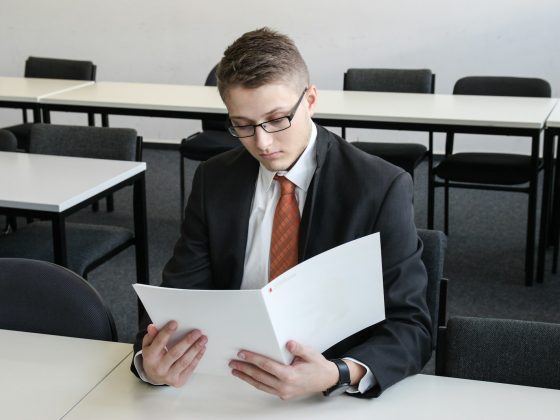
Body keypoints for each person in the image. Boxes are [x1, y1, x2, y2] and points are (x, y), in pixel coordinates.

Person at [132, 27, 431, 400]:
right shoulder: (215, 179)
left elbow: (412, 326)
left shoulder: (379, 187)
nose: (263, 142)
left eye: (276, 120)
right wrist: (150, 362)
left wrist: (338, 374)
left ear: (310, 100)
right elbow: (178, 297)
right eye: (242, 125)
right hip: (228, 380)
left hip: (328, 390)